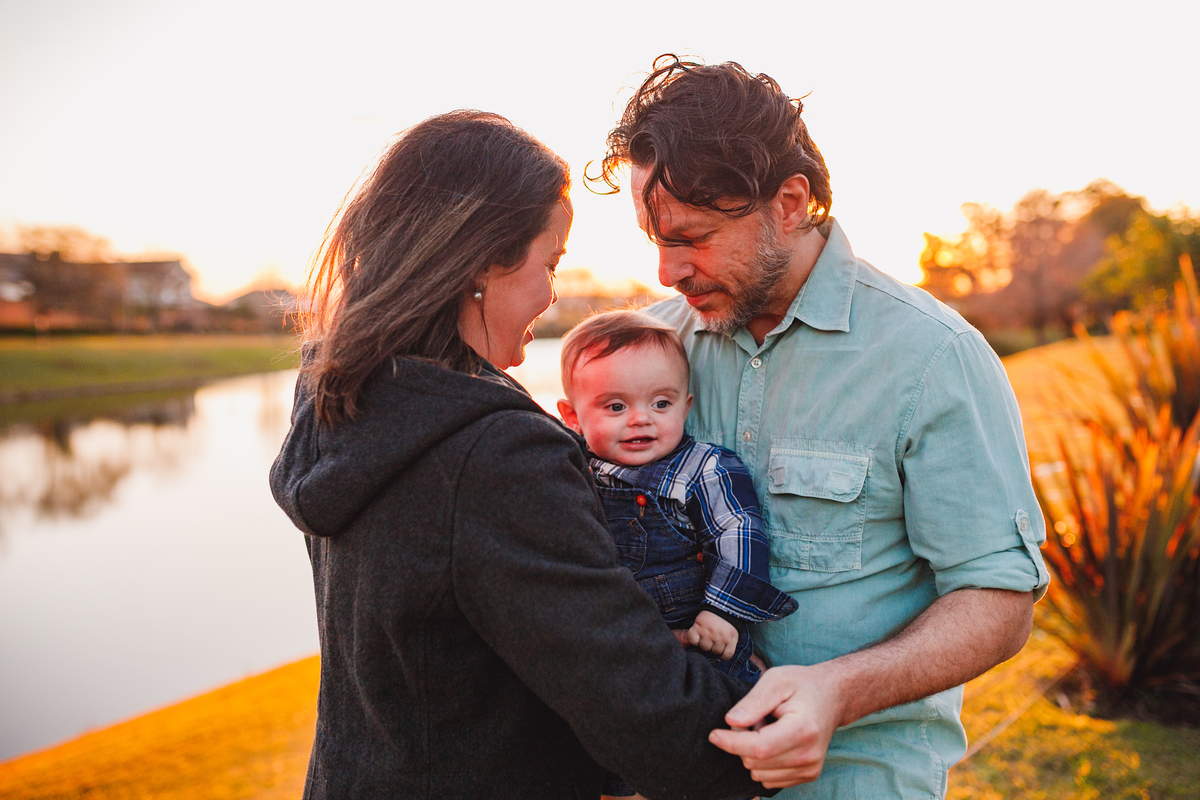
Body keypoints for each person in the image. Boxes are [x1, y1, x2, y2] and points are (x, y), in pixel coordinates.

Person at [269, 110, 770, 799]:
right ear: (483, 262)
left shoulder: (344, 397)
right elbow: (645, 712)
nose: (552, 292)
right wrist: (770, 733)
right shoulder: (495, 455)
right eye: (549, 262)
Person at [593, 56, 1050, 798]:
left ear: (789, 202)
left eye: (692, 236)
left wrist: (837, 691)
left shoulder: (934, 357)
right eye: (654, 240)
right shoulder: (652, 354)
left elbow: (997, 600)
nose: (667, 271)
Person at [557, 310, 799, 798]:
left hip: (699, 644)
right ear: (571, 417)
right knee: (610, 754)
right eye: (615, 406)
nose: (641, 418)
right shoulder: (571, 469)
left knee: (714, 750)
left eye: (661, 402)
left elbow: (740, 533)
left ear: (686, 406)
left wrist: (723, 613)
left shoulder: (703, 470)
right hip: (625, 653)